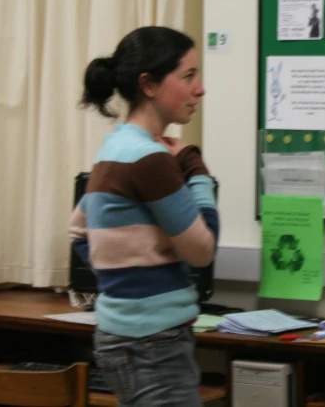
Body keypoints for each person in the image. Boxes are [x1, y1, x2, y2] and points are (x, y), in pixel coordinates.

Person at [68, 26, 218, 406]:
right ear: (148, 85)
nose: (199, 88)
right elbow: (203, 249)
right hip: (153, 343)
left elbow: (79, 232)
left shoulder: (114, 148)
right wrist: (193, 164)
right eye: (188, 76)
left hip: (122, 334)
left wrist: (128, 270)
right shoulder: (150, 158)